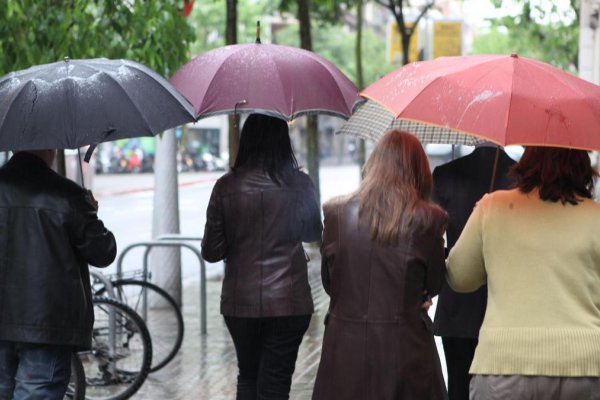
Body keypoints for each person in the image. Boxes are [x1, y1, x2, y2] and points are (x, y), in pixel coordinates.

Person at [447, 146, 600, 399]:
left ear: (526, 163)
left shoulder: (492, 206)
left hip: (504, 365)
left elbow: (459, 277)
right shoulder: (596, 217)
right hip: (584, 366)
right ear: (581, 166)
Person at [312, 129, 448, 400]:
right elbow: (433, 284)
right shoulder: (429, 219)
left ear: (373, 163)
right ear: (420, 170)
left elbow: (330, 283)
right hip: (405, 352)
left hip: (344, 351)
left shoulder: (335, 213)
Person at [201, 113, 322, 400]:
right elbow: (312, 233)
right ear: (284, 141)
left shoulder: (226, 187)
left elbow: (211, 251)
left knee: (249, 376)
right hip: (289, 302)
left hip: (240, 303)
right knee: (276, 383)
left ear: (246, 141)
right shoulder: (300, 184)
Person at [0, 149, 117, 399]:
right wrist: (91, 213)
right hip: (47, 324)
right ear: (50, 148)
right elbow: (103, 252)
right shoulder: (68, 195)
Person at [432, 145, 516, 400]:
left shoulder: (445, 174)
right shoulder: (523, 179)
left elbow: (432, 239)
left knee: (458, 387)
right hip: (504, 306)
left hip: (456, 308)